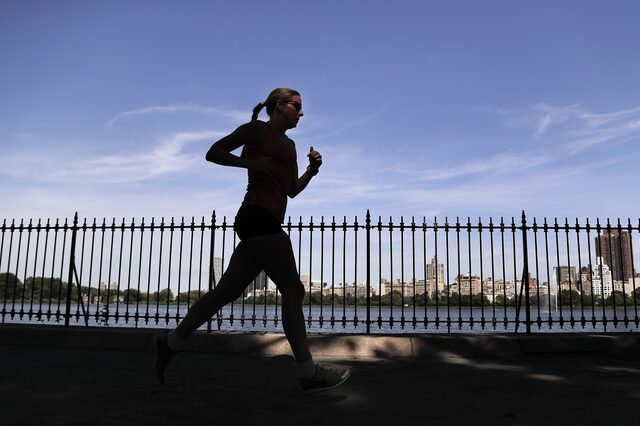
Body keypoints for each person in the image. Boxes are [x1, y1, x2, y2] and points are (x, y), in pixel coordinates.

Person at [155, 87, 350, 392]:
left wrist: (312, 171)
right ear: (279, 106)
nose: (301, 112)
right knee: (293, 289)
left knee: (225, 292)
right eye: (296, 106)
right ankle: (308, 373)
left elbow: (291, 191)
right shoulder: (256, 130)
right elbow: (214, 152)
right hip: (256, 216)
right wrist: (251, 164)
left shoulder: (291, 145)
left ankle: (169, 342)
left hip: (265, 219)